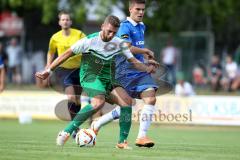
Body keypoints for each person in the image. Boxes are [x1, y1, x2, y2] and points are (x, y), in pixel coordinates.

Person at [35, 15, 158, 149]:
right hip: (90, 77)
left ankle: (122, 142)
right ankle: (66, 132)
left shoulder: (119, 43)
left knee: (127, 102)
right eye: (109, 31)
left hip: (109, 80)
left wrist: (147, 68)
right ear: (102, 27)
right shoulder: (89, 40)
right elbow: (66, 54)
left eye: (114, 32)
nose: (111, 35)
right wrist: (49, 70)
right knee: (98, 102)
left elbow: (134, 62)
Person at [90, 0, 159, 148]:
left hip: (139, 71)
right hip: (124, 72)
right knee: (126, 106)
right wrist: (146, 51)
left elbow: (137, 48)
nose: (141, 12)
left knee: (150, 98)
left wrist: (147, 60)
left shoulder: (142, 26)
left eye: (143, 10)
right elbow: (126, 47)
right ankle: (98, 123)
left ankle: (141, 137)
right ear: (130, 9)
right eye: (138, 9)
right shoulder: (123, 27)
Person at [42, 11, 87, 120]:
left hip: (79, 70)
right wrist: (48, 65)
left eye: (67, 19)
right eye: (63, 19)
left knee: (77, 99)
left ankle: (75, 124)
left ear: (70, 22)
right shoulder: (55, 38)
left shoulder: (79, 34)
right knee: (71, 97)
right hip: (63, 70)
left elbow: (88, 47)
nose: (65, 21)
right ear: (59, 22)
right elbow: (51, 52)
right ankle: (74, 126)